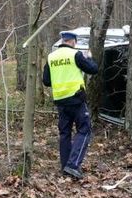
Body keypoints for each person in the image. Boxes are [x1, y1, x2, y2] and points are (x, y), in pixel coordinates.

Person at [42, 31, 98, 179]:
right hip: (76, 99)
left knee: (65, 133)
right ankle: (73, 165)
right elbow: (93, 69)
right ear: (73, 41)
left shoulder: (51, 57)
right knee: (84, 130)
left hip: (60, 101)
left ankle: (65, 166)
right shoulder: (76, 55)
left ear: (62, 40)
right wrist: (89, 58)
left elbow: (46, 81)